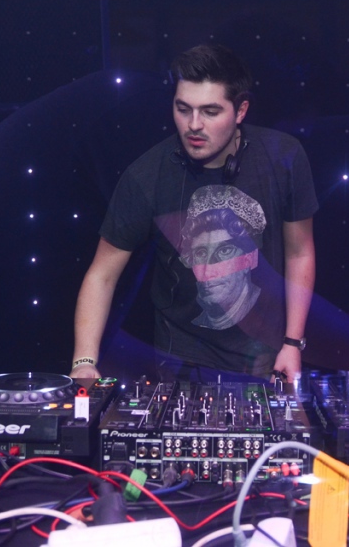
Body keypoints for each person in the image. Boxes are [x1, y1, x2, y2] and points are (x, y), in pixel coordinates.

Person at [70, 44, 317, 382]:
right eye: (183, 109)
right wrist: (83, 360)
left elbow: (300, 252)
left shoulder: (284, 157)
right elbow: (102, 275)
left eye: (210, 112)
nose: (194, 125)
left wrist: (293, 342)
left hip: (264, 358)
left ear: (241, 110)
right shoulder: (146, 176)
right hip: (179, 365)